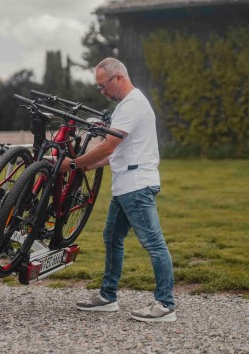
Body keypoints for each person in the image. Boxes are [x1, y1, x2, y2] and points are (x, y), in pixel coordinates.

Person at [59, 57, 176, 322]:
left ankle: (166, 305)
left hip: (136, 187)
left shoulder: (131, 105)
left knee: (154, 244)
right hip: (126, 186)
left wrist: (75, 164)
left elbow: (107, 146)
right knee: (112, 237)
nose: (102, 91)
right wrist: (87, 167)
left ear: (119, 77)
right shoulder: (128, 105)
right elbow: (114, 153)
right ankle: (108, 296)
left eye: (103, 86)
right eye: (99, 87)